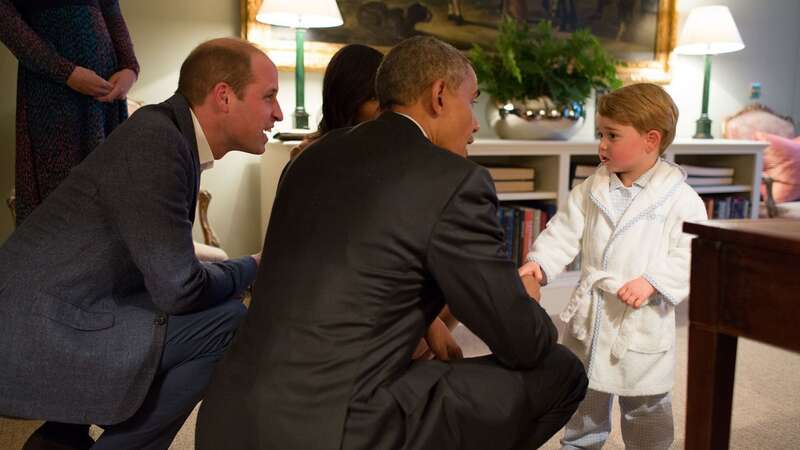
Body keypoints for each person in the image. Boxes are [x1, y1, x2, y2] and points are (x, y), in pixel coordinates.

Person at [196, 35, 587, 450]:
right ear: (439, 95)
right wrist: (526, 301)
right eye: (471, 102)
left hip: (228, 417)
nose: (474, 124)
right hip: (332, 429)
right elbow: (522, 342)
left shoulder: (310, 157)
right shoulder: (453, 180)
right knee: (560, 370)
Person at [0, 37, 283, 450]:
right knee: (228, 324)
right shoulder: (158, 142)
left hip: (66, 308)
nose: (277, 112)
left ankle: (57, 440)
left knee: (209, 314)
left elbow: (165, 273)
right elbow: (179, 290)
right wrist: (254, 265)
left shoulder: (168, 135)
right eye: (269, 96)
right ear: (224, 96)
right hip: (41, 327)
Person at [518, 83, 708, 449]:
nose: (602, 145)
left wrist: (653, 281)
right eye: (600, 135)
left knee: (645, 405)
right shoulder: (592, 188)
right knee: (584, 397)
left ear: (651, 140)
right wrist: (540, 263)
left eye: (612, 136)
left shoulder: (680, 199)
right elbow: (563, 230)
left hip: (641, 321)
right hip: (592, 317)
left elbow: (691, 253)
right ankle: (579, 445)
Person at [290, 42, 461, 362]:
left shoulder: (383, 154)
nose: (387, 111)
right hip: (330, 297)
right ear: (349, 101)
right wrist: (426, 320)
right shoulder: (318, 158)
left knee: (450, 284)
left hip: (369, 287)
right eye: (376, 100)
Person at [0, 0, 139, 225]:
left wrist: (130, 68)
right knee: (60, 199)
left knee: (111, 194)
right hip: (52, 92)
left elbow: (110, 9)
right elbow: (7, 22)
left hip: (107, 97)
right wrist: (65, 72)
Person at [289, 43, 384, 159]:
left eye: (386, 97)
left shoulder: (391, 150)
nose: (385, 107)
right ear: (348, 98)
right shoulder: (307, 154)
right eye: (374, 98)